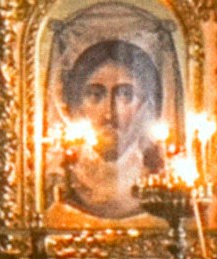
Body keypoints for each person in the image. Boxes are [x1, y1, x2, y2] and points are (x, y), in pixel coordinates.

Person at [51, 37, 166, 222]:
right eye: (95, 95)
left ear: (146, 105)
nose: (110, 114)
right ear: (76, 104)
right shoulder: (58, 183)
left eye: (126, 95)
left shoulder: (163, 184)